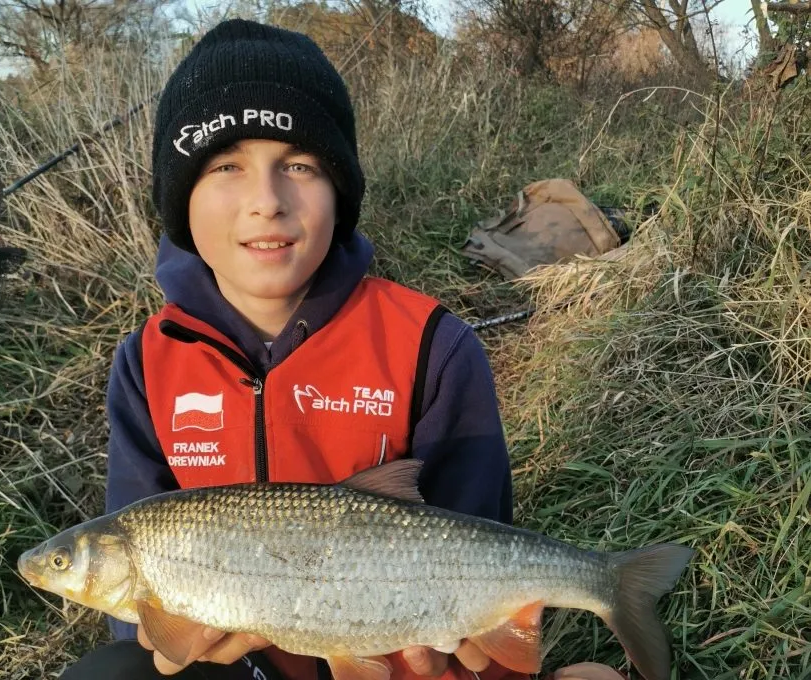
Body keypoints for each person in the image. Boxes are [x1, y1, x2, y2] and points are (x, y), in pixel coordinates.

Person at [60, 18, 624, 680]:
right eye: (225, 166)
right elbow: (138, 622)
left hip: (403, 650)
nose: (265, 202)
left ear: (340, 189)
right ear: (181, 200)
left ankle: (610, 595)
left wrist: (457, 650)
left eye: (298, 165)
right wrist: (158, 636)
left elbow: (476, 545)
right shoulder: (147, 363)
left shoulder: (433, 346)